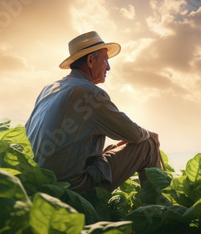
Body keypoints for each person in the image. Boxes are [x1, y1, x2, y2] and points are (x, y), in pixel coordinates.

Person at [25, 31, 163, 193]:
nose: (109, 67)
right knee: (148, 144)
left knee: (113, 146)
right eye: (106, 60)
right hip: (74, 187)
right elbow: (134, 134)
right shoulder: (90, 93)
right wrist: (149, 134)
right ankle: (159, 210)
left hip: (43, 183)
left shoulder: (48, 89)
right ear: (91, 60)